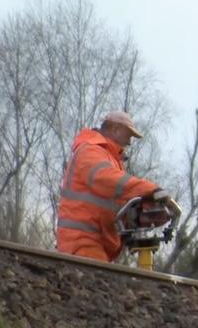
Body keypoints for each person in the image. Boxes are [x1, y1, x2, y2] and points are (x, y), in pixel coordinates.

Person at [55, 110, 172, 262]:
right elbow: (109, 180)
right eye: (128, 135)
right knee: (96, 282)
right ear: (115, 129)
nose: (129, 142)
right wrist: (149, 189)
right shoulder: (90, 151)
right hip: (81, 241)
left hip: (95, 243)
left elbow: (115, 207)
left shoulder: (109, 158)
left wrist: (143, 215)